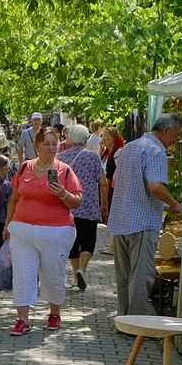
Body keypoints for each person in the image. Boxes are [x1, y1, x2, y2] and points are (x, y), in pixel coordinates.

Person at [5, 126, 82, 334]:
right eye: (46, 144)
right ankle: (22, 320)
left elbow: (77, 202)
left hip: (56, 231)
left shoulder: (64, 170)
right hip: (22, 230)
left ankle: (54, 314)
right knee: (23, 274)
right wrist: (7, 225)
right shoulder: (24, 168)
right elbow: (15, 198)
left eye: (54, 144)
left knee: (52, 273)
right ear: (36, 145)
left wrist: (64, 193)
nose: (51, 148)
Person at [108, 113, 182, 316]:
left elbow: (117, 183)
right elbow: (155, 186)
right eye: (176, 135)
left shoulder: (130, 147)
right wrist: (174, 203)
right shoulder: (156, 150)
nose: (176, 140)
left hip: (121, 220)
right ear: (166, 130)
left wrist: (166, 207)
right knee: (141, 276)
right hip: (141, 223)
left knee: (124, 276)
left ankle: (124, 319)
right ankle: (137, 323)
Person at [60, 123, 106, 292]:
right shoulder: (93, 157)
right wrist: (104, 203)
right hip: (88, 205)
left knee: (72, 242)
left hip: (68, 205)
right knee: (88, 239)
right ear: (87, 138)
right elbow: (103, 181)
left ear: (70, 139)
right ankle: (82, 269)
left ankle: (74, 274)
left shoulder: (61, 157)